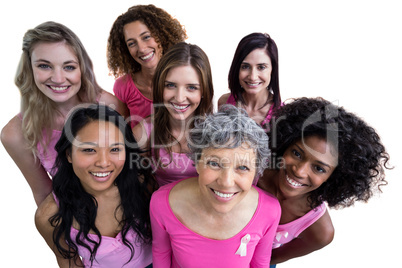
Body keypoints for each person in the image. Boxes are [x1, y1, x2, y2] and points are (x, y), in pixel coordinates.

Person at [1, 21, 126, 206]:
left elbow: (133, 169)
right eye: (44, 66)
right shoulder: (15, 133)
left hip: (125, 206)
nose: (58, 79)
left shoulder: (109, 105)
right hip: (74, 216)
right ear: (29, 68)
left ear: (81, 69)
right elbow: (44, 195)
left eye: (69, 67)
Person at [256, 97, 391, 267]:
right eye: (297, 154)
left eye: (319, 168)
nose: (299, 171)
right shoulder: (253, 173)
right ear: (285, 144)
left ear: (335, 176)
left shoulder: (320, 232)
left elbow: (269, 260)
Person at [150, 105, 281, 267]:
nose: (226, 182)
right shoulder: (162, 203)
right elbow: (161, 254)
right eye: (214, 163)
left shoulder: (270, 211)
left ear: (256, 173)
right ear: (197, 163)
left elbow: (260, 263)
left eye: (242, 167)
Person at [35, 104, 154, 268]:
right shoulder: (49, 216)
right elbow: (69, 262)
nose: (103, 163)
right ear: (69, 154)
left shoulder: (141, 182)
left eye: (114, 149)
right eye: (89, 150)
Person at [133, 42, 214, 187]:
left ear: (203, 92)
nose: (179, 98)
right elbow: (139, 187)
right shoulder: (143, 131)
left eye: (191, 87)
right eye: (170, 85)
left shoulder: (217, 132)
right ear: (159, 86)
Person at [107, 4, 187, 127]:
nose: (142, 49)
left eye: (146, 37)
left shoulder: (186, 77)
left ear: (161, 35)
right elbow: (123, 132)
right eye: (132, 43)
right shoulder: (123, 86)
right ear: (125, 49)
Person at [218, 32, 282, 130]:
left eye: (261, 67)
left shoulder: (282, 113)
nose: (252, 77)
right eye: (245, 67)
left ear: (272, 70)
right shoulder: (224, 103)